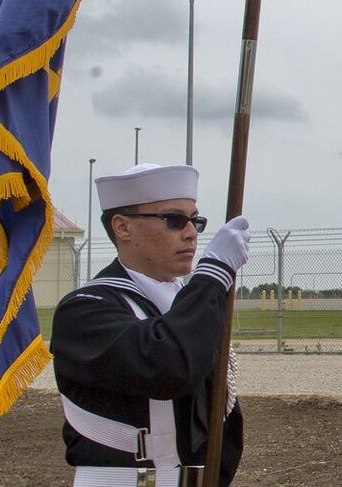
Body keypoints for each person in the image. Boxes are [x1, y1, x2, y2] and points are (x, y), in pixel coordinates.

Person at [51, 162, 251, 487]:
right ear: (123, 227)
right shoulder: (84, 310)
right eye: (174, 220)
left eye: (195, 220)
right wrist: (213, 274)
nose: (190, 233)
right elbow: (168, 364)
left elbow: (218, 421)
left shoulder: (184, 306)